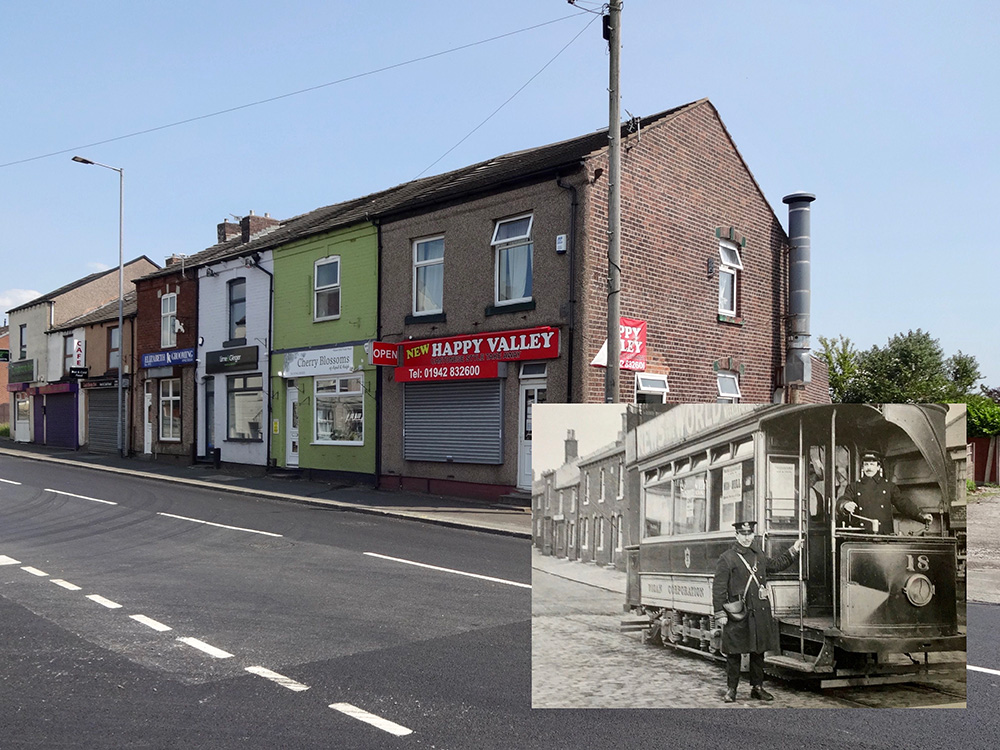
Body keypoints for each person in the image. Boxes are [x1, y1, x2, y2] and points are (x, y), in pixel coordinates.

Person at [712, 520, 803, 703]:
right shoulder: (727, 558)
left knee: (758, 652)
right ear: (736, 535)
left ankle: (757, 688)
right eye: (743, 534)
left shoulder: (758, 555)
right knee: (734, 654)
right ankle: (731, 690)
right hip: (738, 613)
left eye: (749, 534)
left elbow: (776, 565)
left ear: (753, 534)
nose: (747, 538)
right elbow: (719, 588)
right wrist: (720, 613)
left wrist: (793, 550)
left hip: (759, 612)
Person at [836, 451, 932, 534]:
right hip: (861, 536)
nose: (869, 468)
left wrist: (920, 515)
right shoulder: (854, 486)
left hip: (883, 535)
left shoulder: (889, 486)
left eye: (872, 464)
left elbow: (903, 503)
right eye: (866, 464)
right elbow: (844, 499)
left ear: (878, 467)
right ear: (863, 467)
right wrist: (845, 504)